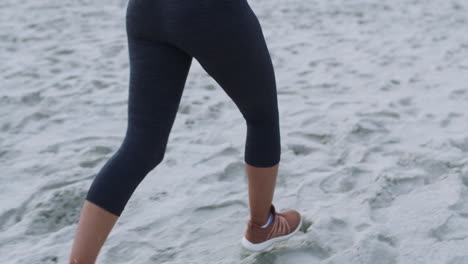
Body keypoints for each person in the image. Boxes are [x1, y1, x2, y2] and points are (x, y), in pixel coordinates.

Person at [69, 0, 302, 262]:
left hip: (146, 11)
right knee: (262, 118)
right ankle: (262, 226)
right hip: (206, 10)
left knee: (140, 146)